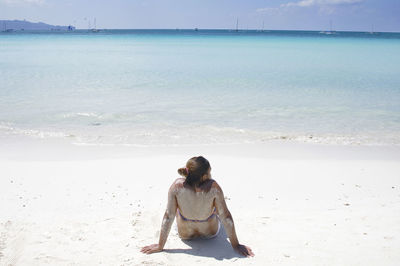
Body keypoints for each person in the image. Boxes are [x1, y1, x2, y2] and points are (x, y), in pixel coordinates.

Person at [141, 156, 254, 257]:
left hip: (185, 234)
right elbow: (226, 217)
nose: (211, 175)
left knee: (175, 210)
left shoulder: (176, 186)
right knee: (217, 210)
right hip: (210, 232)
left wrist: (160, 245)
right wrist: (236, 245)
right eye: (209, 172)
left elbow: (168, 217)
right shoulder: (213, 187)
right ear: (204, 176)